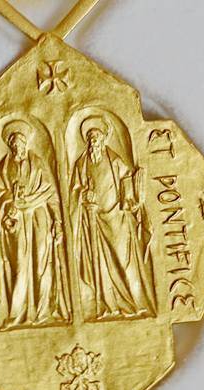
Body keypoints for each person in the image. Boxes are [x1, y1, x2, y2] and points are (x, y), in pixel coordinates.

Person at [70, 116, 155, 320]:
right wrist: (84, 195)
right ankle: (108, 306)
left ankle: (135, 303)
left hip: (116, 218)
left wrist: (131, 198)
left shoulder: (114, 160)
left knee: (123, 261)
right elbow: (75, 189)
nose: (93, 141)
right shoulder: (82, 163)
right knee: (100, 265)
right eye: (90, 138)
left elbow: (127, 181)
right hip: (94, 220)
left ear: (103, 140)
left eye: (96, 137)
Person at [0, 120, 70, 329]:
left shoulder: (38, 163)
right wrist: (9, 202)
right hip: (16, 221)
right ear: (10, 146)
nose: (18, 147)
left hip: (39, 217)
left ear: (26, 144)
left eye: (21, 143)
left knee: (41, 261)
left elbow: (51, 194)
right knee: (20, 265)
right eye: (14, 144)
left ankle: (44, 311)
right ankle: (18, 314)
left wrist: (57, 221)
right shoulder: (4, 167)